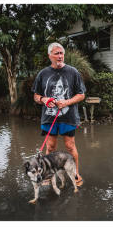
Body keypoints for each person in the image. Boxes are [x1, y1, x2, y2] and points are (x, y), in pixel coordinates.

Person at [32, 42, 86, 187]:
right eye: (56, 53)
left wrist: (67, 102)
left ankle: (75, 173)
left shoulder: (73, 72)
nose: (60, 56)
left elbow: (81, 95)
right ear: (50, 55)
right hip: (49, 117)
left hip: (68, 117)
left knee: (70, 146)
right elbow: (36, 96)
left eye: (62, 53)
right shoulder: (43, 74)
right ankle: (48, 174)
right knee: (50, 147)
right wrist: (44, 99)